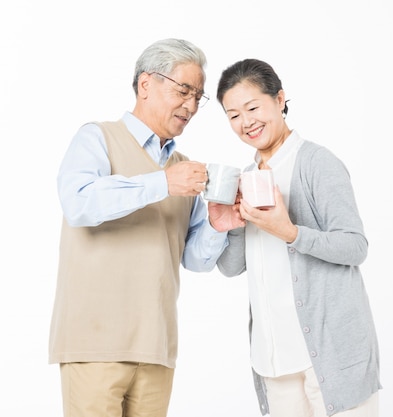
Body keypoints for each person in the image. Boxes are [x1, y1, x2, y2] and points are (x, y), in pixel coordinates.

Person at [48, 38, 245, 417]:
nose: (190, 105)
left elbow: (196, 261)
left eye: (198, 96)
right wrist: (163, 184)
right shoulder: (97, 138)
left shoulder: (183, 168)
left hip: (156, 348)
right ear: (145, 85)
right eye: (183, 90)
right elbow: (79, 203)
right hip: (94, 345)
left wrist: (220, 225)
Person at [215, 59, 382, 417]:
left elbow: (355, 246)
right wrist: (229, 223)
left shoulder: (317, 163)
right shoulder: (245, 177)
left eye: (253, 107)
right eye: (233, 115)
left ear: (280, 98)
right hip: (273, 359)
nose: (246, 122)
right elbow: (231, 268)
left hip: (330, 355)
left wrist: (289, 232)